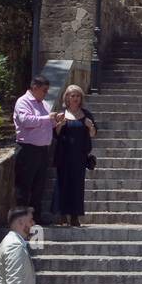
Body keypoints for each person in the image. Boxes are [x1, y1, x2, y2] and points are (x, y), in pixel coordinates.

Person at [13, 75, 62, 225]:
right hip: (28, 149)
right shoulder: (23, 102)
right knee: (24, 186)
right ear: (35, 88)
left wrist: (56, 120)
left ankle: (36, 218)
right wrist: (47, 118)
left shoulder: (44, 104)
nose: (46, 93)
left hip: (42, 150)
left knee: (39, 186)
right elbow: (26, 121)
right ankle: (21, 220)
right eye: (44, 90)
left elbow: (47, 124)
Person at [50, 84, 97, 227]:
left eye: (78, 96)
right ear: (67, 98)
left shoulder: (86, 114)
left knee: (77, 186)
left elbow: (93, 134)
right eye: (73, 96)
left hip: (79, 156)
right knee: (62, 184)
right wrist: (59, 125)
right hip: (63, 155)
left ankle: (75, 216)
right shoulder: (62, 114)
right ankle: (62, 215)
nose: (75, 98)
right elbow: (56, 135)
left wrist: (90, 126)